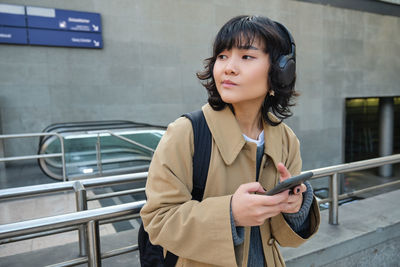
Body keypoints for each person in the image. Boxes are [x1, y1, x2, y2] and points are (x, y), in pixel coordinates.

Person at [140, 15, 320, 267]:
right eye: (222, 56)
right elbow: (157, 220)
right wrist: (231, 214)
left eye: (246, 56)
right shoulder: (186, 133)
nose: (228, 67)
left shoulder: (286, 139)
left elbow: (283, 237)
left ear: (280, 71)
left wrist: (295, 206)